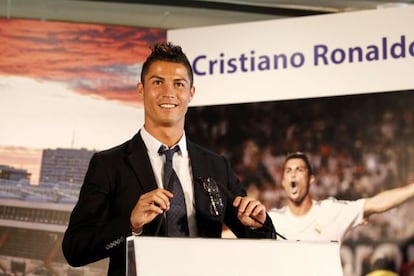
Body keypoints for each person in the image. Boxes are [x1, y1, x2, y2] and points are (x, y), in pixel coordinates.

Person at [62, 42, 275, 276]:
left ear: (191, 93)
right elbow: (75, 250)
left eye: (179, 84)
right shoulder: (109, 165)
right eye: (157, 82)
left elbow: (261, 241)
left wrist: (258, 224)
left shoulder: (216, 165)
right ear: (141, 89)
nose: (168, 93)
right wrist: (130, 225)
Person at [268, 151, 414, 242]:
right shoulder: (271, 221)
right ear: (283, 182)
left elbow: (374, 203)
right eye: (288, 171)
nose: (293, 174)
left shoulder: (330, 211)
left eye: (299, 169)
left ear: (311, 179)